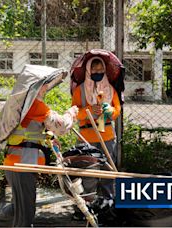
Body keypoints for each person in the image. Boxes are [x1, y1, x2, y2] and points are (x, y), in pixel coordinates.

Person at [0, 65, 79, 227]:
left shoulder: (22, 104)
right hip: (22, 165)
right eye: (44, 84)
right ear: (35, 86)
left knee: (19, 206)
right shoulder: (35, 105)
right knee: (25, 212)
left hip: (16, 163)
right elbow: (61, 125)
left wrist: (48, 136)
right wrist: (70, 114)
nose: (47, 87)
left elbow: (28, 130)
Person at [71, 57, 121, 208]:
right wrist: (88, 111)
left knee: (107, 171)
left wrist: (110, 110)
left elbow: (117, 110)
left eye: (101, 70)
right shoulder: (80, 90)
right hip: (87, 138)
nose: (98, 72)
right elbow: (74, 112)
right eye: (94, 70)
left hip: (107, 136)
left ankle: (108, 203)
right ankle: (87, 205)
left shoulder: (110, 89)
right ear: (88, 70)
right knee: (89, 173)